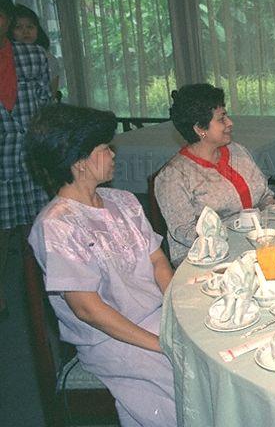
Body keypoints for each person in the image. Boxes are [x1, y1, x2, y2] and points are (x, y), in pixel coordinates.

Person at [25, 103, 176, 427]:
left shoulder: (124, 201)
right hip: (109, 338)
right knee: (184, 374)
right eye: (105, 148)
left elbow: (158, 261)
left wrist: (178, 309)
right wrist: (159, 344)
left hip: (158, 315)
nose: (113, 153)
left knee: (212, 346)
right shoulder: (57, 225)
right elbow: (88, 310)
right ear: (79, 162)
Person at [156, 83, 275, 265]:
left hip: (253, 243)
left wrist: (269, 228)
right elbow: (184, 232)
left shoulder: (237, 152)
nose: (230, 123)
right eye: (222, 119)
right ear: (199, 129)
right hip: (206, 259)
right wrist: (236, 234)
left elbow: (265, 196)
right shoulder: (173, 176)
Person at [0, 0, 51, 319]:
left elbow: (46, 106)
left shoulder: (32, 56)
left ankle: (49, 290)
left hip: (30, 159)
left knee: (42, 228)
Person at [11, 3, 61, 94]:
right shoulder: (7, 57)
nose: (26, 31)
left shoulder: (48, 58)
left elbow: (51, 93)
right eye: (18, 27)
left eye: (30, 27)